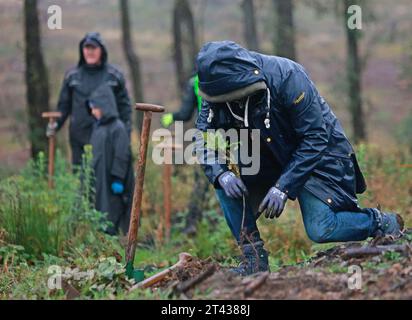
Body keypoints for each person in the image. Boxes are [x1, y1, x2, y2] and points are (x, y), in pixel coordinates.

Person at [194, 41, 404, 276]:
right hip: (266, 157)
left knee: (322, 229)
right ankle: (254, 260)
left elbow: (315, 136)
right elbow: (203, 138)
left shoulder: (288, 76)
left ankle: (380, 223)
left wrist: (283, 187)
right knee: (224, 183)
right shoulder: (214, 90)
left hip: (319, 156)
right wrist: (221, 173)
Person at [47, 32, 132, 167]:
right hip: (79, 136)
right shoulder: (72, 77)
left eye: (94, 48)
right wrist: (55, 125)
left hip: (108, 137)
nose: (90, 52)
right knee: (81, 178)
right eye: (87, 48)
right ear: (82, 50)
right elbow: (64, 106)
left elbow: (125, 108)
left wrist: (125, 133)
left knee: (103, 177)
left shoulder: (113, 76)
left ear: (102, 51)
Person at [160, 75, 209, 235]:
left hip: (204, 137)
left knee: (201, 183)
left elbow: (186, 113)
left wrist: (171, 117)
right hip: (231, 136)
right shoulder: (230, 75)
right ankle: (231, 228)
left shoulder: (195, 81)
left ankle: (192, 225)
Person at [87, 83, 134, 235]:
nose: (93, 112)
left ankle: (114, 238)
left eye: (95, 107)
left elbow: (122, 154)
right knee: (100, 207)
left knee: (112, 208)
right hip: (100, 177)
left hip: (113, 180)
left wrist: (118, 178)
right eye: (91, 108)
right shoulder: (98, 128)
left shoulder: (117, 128)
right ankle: (102, 238)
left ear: (105, 106)